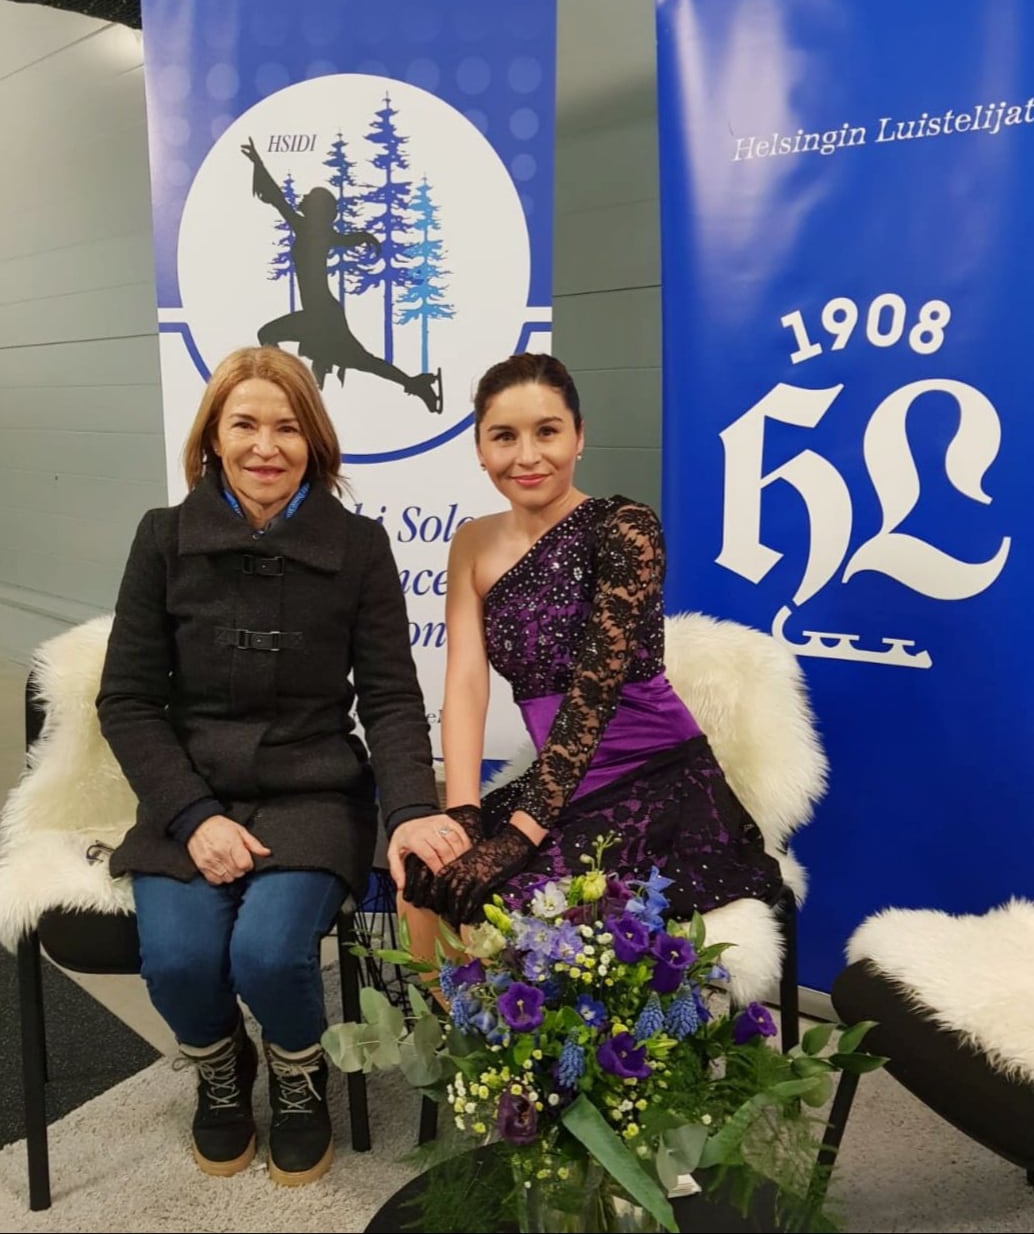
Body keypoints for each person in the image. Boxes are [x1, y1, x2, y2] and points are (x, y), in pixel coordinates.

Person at [95, 346, 458, 1186]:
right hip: (191, 792)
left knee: (267, 953)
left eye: (288, 426)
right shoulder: (162, 539)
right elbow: (128, 701)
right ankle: (222, 1067)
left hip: (313, 789)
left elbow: (394, 700)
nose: (267, 445)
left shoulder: (359, 547)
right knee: (181, 961)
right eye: (245, 425)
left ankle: (299, 1073)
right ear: (213, 440)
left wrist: (409, 810)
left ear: (314, 441)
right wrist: (192, 817)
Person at [387, 352, 783, 945]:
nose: (526, 455)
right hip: (560, 784)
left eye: (547, 431)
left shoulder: (626, 527)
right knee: (428, 875)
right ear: (479, 448)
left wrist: (519, 838)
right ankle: (446, 1037)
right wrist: (464, 813)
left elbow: (591, 698)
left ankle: (513, 1036)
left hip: (652, 781)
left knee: (517, 915)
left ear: (579, 438)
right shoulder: (472, 542)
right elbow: (466, 683)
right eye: (504, 436)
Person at [240, 137, 443, 412]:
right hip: (322, 313)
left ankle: (288, 391)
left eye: (309, 199)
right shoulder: (319, 233)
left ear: (315, 210)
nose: (303, 200)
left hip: (320, 315)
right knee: (362, 360)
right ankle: (416, 385)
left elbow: (277, 199)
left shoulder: (311, 230)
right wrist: (362, 237)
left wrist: (259, 164)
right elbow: (283, 202)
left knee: (272, 335)